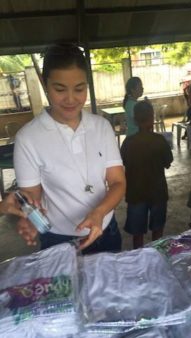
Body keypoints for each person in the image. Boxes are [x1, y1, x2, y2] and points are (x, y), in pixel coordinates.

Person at [14, 44, 126, 253]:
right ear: (45, 85)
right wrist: (30, 219)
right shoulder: (28, 138)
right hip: (58, 240)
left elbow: (118, 182)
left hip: (105, 230)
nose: (71, 99)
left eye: (79, 89)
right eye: (59, 89)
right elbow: (30, 197)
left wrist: (99, 213)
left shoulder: (101, 127)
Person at [120, 101, 173, 249]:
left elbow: (123, 161)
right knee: (157, 229)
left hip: (136, 193)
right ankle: (156, 254)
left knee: (137, 232)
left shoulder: (128, 142)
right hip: (157, 192)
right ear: (152, 117)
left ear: (135, 120)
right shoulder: (160, 140)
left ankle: (139, 255)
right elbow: (168, 162)